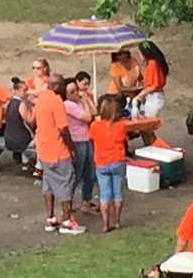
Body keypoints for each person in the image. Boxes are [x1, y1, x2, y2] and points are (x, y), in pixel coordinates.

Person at [34, 76, 84, 235]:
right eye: (63, 86)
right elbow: (63, 129)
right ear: (57, 86)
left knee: (48, 183)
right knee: (65, 183)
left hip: (43, 149)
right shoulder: (56, 101)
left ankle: (50, 219)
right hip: (58, 151)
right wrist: (72, 148)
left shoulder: (41, 98)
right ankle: (67, 221)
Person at [88, 94, 133, 232]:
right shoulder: (121, 126)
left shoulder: (95, 125)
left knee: (104, 194)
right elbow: (125, 140)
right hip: (117, 161)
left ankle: (105, 224)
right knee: (118, 193)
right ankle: (117, 221)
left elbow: (91, 140)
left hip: (101, 162)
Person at [65, 73, 98, 216]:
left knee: (90, 172)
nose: (75, 93)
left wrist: (85, 99)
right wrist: (84, 102)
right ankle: (68, 201)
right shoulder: (68, 105)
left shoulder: (78, 102)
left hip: (86, 139)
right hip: (77, 141)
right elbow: (87, 117)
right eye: (71, 92)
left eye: (75, 90)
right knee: (76, 173)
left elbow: (95, 111)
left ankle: (86, 201)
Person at [3, 78, 36, 173]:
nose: (27, 92)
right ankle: (38, 166)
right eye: (24, 90)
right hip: (21, 141)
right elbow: (30, 121)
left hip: (8, 139)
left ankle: (25, 162)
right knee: (40, 141)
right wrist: (34, 107)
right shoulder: (21, 105)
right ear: (17, 91)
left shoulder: (9, 103)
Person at [130, 41, 169, 119]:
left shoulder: (153, 64)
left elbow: (153, 86)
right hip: (153, 96)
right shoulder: (154, 63)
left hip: (153, 97)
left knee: (148, 122)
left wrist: (138, 96)